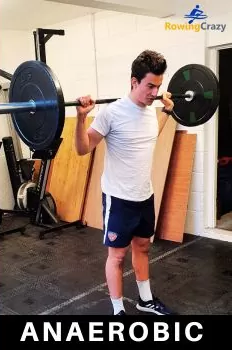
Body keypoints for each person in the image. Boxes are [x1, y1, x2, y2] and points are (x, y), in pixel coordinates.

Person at [74, 50, 175, 315]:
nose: (154, 92)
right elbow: (83, 149)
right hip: (119, 199)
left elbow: (151, 136)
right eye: (149, 85)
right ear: (133, 82)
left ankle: (145, 299)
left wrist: (166, 110)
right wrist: (82, 117)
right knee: (117, 256)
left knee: (143, 247)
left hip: (145, 196)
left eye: (158, 86)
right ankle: (118, 311)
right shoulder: (112, 113)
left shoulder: (151, 113)